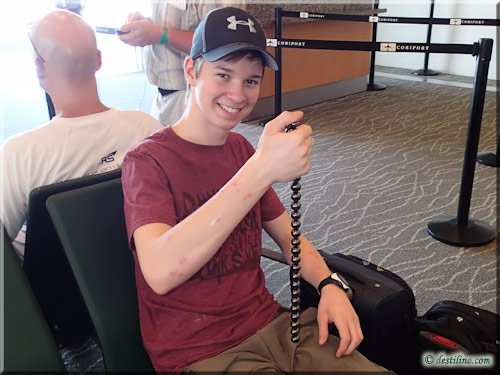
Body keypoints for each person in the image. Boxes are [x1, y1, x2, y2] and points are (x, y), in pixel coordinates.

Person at [122, 6, 390, 373]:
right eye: (223, 74)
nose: (238, 93)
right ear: (191, 71)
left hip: (274, 326)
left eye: (251, 80)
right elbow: (160, 270)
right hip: (201, 351)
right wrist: (261, 169)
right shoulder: (148, 160)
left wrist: (329, 284)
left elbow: (288, 237)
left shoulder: (241, 150)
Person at [0, 9, 162, 259]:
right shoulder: (148, 129)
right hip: (134, 275)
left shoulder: (20, 154)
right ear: (98, 59)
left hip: (51, 291)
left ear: (38, 68)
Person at [117, 0, 229, 127]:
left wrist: (159, 34)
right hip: (162, 92)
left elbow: (222, 42)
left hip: (190, 94)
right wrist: (143, 25)